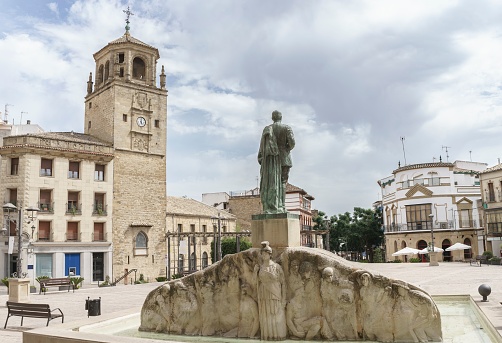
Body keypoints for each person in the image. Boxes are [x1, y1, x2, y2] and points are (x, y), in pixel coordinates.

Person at [258, 110, 295, 214]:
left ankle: (271, 205)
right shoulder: (286, 128)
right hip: (284, 158)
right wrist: (285, 148)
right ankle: (281, 206)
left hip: (270, 159)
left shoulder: (267, 129)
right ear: (281, 117)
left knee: (271, 182)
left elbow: (262, 147)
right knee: (283, 182)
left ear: (272, 118)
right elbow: (292, 143)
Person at [254, 241, 287, 340]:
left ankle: (278, 336)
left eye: (265, 253)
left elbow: (283, 283)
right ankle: (267, 335)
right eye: (262, 254)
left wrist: (284, 299)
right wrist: (255, 272)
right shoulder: (259, 268)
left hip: (275, 294)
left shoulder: (276, 267)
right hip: (263, 294)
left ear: (270, 254)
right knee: (266, 314)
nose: (263, 255)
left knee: (275, 314)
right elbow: (254, 282)